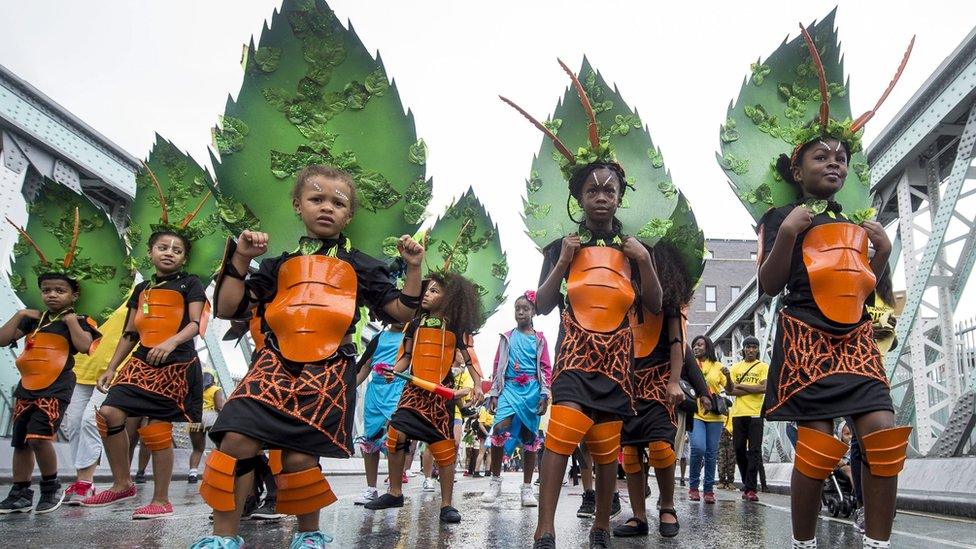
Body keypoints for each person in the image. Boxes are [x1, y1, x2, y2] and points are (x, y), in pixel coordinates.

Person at [192, 165, 425, 549]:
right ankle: (222, 538)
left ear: (349, 215)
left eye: (338, 203)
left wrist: (414, 268)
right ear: (297, 205)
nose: (326, 208)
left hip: (330, 366)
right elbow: (230, 307)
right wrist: (239, 258)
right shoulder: (274, 265)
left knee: (300, 458)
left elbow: (401, 311)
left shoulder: (363, 265)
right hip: (273, 364)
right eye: (316, 199)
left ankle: (308, 534)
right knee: (234, 440)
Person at [755, 27, 913, 549]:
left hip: (856, 340)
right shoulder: (781, 216)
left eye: (840, 158)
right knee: (819, 449)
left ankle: (878, 543)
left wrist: (882, 255)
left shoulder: (858, 224)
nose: (834, 163)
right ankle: (803, 543)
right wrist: (791, 232)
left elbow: (875, 296)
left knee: (884, 438)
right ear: (796, 168)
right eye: (821, 157)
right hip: (806, 338)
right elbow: (767, 286)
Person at [84, 225, 207, 519]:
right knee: (109, 413)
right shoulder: (142, 290)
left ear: (184, 258)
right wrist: (111, 367)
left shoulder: (191, 283)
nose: (169, 253)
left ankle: (161, 500)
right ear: (150, 253)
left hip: (177, 363)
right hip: (141, 361)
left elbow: (194, 323)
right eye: (163, 247)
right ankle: (122, 482)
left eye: (177, 250)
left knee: (155, 428)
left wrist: (171, 341)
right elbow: (130, 332)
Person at [366, 271, 485, 523]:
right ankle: (395, 492)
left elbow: (471, 359)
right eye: (427, 290)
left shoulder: (456, 328)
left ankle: (446, 505)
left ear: (449, 298)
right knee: (395, 433)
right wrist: (393, 371)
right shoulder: (415, 324)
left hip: (442, 395)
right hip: (414, 392)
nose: (427, 294)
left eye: (435, 291)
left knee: (444, 449)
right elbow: (406, 356)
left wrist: (478, 385)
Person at [0, 219, 101, 514]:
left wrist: (71, 320)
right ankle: (20, 492)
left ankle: (50, 485)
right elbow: (3, 339)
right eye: (47, 290)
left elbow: (84, 347)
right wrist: (19, 315)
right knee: (20, 441)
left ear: (73, 295)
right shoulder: (34, 319)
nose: (52, 295)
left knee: (39, 436)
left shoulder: (80, 322)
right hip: (27, 385)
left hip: (56, 385)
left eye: (59, 290)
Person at [614, 243, 695, 539]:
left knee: (661, 447)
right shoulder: (624, 297)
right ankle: (638, 515)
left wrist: (674, 381)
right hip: (628, 384)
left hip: (659, 382)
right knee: (631, 452)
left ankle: (668, 507)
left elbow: (678, 345)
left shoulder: (669, 299)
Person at [481, 291, 552, 507]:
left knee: (529, 436)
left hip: (531, 390)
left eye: (525, 309)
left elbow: (546, 368)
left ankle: (527, 489)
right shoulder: (507, 337)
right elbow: (497, 366)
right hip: (509, 388)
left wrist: (544, 393)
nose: (521, 312)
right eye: (517, 309)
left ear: (533, 312)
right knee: (500, 427)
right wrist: (494, 393)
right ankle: (495, 482)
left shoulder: (539, 339)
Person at [353, 323, 407, 505]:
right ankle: (371, 489)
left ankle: (393, 489)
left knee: (395, 439)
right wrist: (348, 389)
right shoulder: (378, 337)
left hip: (397, 390)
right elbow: (366, 365)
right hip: (374, 392)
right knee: (370, 439)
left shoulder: (410, 336)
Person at [723, 335, 769, 501]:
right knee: (739, 449)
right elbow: (730, 391)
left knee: (754, 450)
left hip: (756, 413)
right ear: (743, 349)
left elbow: (764, 388)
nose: (751, 350)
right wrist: (751, 388)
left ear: (757, 349)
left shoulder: (763, 367)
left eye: (754, 347)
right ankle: (746, 481)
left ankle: (750, 489)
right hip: (738, 414)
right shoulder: (735, 368)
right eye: (748, 347)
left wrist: (740, 386)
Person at [688, 335, 727, 504]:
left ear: (708, 347)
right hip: (695, 412)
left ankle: (709, 490)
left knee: (711, 454)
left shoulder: (718, 366)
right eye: (694, 345)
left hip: (715, 415)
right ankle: (694, 487)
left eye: (700, 345)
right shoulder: (688, 365)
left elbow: (729, 388)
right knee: (698, 448)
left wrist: (729, 376)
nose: (696, 347)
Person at [188, 369, 226, 484]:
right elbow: (219, 407)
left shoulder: (194, 389)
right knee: (220, 447)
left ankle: (192, 474)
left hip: (195, 418)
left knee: (197, 449)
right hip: (211, 418)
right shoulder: (216, 389)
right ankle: (219, 472)